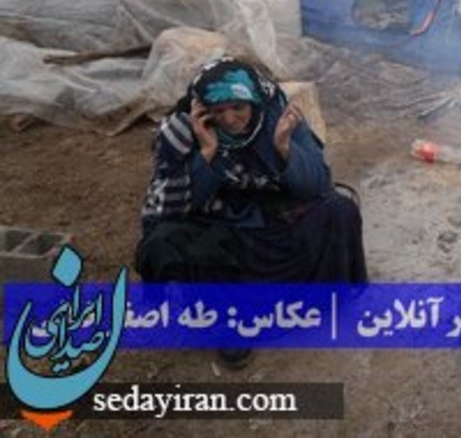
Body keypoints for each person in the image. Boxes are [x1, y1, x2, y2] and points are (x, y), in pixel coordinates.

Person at [136, 57, 368, 365]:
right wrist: (206, 153)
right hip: (221, 229)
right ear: (202, 109)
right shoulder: (181, 130)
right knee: (169, 240)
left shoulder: (277, 114)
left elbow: (316, 186)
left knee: (339, 209)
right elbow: (167, 208)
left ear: (254, 101)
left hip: (274, 219)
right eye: (218, 111)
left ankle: (320, 298)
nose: (230, 119)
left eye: (238, 108)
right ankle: (228, 326)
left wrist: (285, 148)